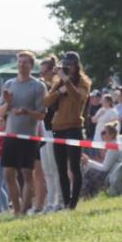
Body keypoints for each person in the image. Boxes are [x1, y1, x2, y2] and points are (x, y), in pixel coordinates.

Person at [44, 51, 92, 210]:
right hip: (58, 127)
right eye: (65, 65)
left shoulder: (83, 82)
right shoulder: (58, 82)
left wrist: (66, 81)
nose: (67, 67)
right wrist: (59, 91)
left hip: (74, 127)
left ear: (76, 66)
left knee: (74, 167)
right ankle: (66, 203)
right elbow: (46, 101)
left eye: (69, 65)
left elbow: (79, 98)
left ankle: (73, 204)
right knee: (61, 168)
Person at [1, 51, 47, 215]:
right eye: (19, 62)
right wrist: (7, 103)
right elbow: (1, 112)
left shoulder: (38, 86)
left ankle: (23, 211)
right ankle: (16, 209)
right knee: (8, 174)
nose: (21, 65)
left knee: (27, 174)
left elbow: (42, 114)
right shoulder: (8, 84)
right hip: (10, 135)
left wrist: (26, 112)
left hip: (29, 137)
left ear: (31, 65)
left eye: (25, 62)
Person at [37, 56, 63, 212]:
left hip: (55, 130)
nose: (42, 76)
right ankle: (51, 201)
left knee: (55, 167)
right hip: (44, 130)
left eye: (44, 72)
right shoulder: (44, 88)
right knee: (47, 169)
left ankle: (59, 201)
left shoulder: (58, 88)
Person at [80, 123, 122, 197]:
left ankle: (84, 196)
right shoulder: (120, 139)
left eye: (104, 133)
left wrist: (88, 161)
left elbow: (104, 168)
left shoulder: (113, 147)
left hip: (117, 174)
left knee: (89, 172)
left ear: (111, 135)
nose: (102, 135)